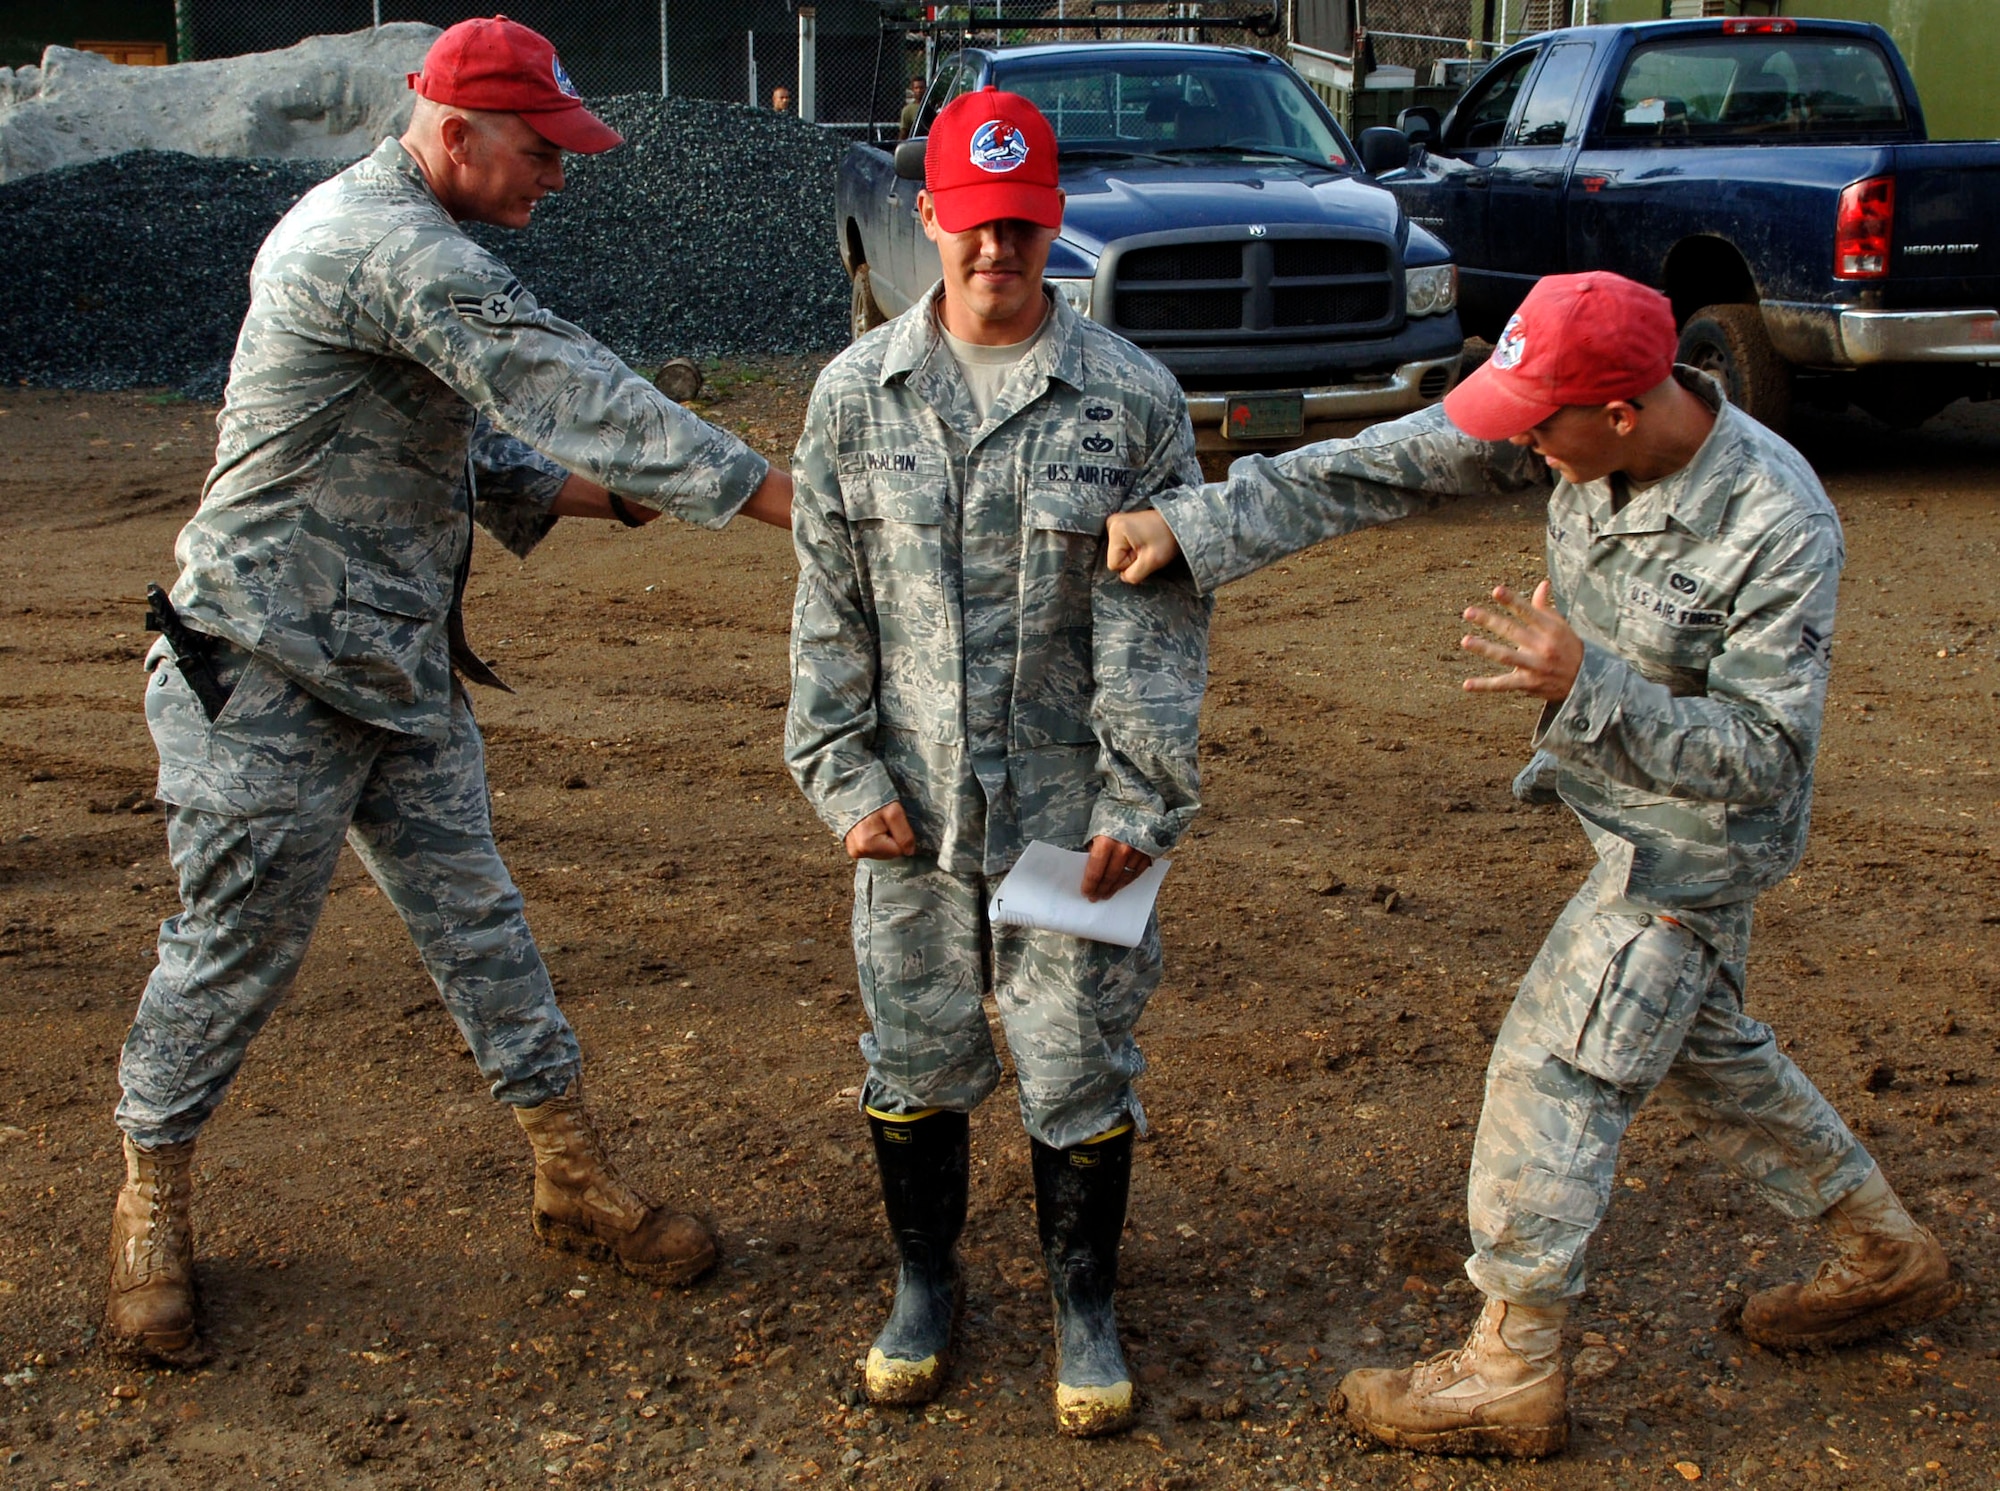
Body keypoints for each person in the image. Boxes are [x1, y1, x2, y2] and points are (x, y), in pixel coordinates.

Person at [1103, 272, 1959, 1458]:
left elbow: (1763, 760)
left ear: (1619, 410)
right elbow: (1387, 462)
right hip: (1617, 813)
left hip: (1691, 851)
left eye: (1536, 425)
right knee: (1698, 1050)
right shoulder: (1568, 427)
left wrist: (1585, 683)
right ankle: (1882, 1251)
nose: (1516, 442)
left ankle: (1510, 1365)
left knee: (1555, 1065)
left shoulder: (1774, 521)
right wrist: (1192, 525)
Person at [104, 15, 795, 1360]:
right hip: (266, 668)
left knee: (481, 924)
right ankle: (150, 1204)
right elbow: (558, 381)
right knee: (232, 947)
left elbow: (446, 446)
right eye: (541, 150)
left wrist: (609, 498)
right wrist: (772, 495)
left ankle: (570, 1174)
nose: (559, 175)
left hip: (393, 664)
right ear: (457, 131)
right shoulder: (385, 244)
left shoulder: (409, 235)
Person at [785, 87, 1209, 1438]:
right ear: (928, 217)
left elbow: (1161, 626)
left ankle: (1084, 1300)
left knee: (1077, 1051)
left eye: (1020, 223)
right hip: (909, 809)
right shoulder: (854, 395)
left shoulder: (1129, 400)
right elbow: (828, 605)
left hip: (1071, 809)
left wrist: (1143, 799)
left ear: (1053, 219)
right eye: (972, 222)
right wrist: (842, 776)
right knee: (914, 1046)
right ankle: (926, 1281)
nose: (995, 249)